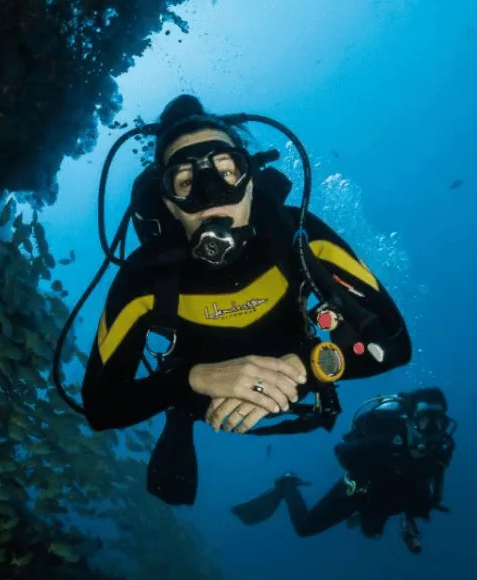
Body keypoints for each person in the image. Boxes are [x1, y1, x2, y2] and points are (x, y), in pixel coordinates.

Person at [78, 94, 412, 504]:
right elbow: (101, 406)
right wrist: (193, 380)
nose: (209, 195)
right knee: (180, 405)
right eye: (184, 182)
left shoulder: (301, 237)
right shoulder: (143, 279)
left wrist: (305, 367)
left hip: (299, 375)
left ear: (250, 180)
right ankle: (180, 415)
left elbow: (395, 343)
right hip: (199, 398)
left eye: (226, 171)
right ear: (167, 203)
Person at [231, 388, 456, 553]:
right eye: (428, 422)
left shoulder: (441, 452)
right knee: (305, 528)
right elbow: (341, 450)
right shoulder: (388, 435)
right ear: (412, 420)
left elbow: (433, 489)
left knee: (372, 532)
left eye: (440, 423)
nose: (434, 431)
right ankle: (286, 487)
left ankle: (376, 521)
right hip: (358, 491)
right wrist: (375, 450)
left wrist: (420, 508)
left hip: (390, 500)